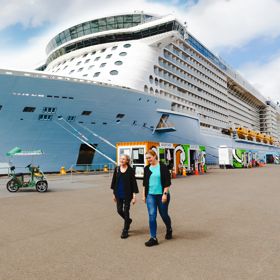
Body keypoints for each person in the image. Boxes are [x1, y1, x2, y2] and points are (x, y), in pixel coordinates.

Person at [142, 150, 172, 247]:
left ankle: (169, 228)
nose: (148, 160)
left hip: (162, 195)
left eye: (149, 157)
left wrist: (164, 194)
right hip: (150, 195)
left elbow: (167, 182)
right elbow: (144, 184)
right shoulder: (146, 168)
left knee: (163, 214)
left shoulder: (162, 167)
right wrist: (143, 195)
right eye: (147, 158)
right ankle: (153, 238)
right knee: (152, 215)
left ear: (155, 156)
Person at [111, 154, 139, 239]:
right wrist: (113, 194)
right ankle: (128, 220)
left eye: (123, 159)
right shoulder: (117, 169)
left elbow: (133, 183)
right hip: (118, 193)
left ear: (127, 161)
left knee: (126, 210)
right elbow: (114, 181)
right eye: (121, 159)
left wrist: (134, 196)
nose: (122, 160)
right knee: (119, 210)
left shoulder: (130, 170)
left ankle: (125, 230)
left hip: (127, 194)